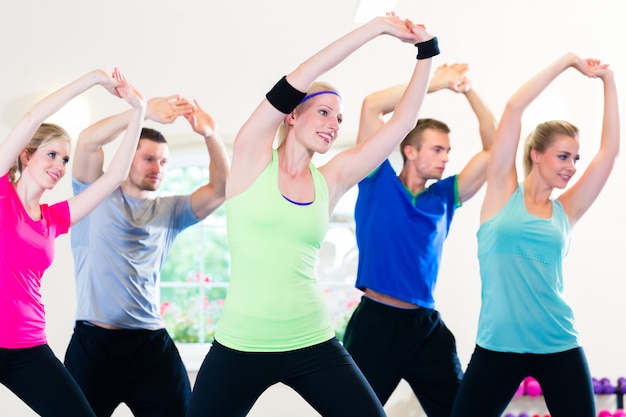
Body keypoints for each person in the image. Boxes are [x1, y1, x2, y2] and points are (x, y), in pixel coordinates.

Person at [186, 12, 438, 417]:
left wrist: (427, 51)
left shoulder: (330, 179)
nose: (334, 124)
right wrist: (375, 29)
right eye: (324, 112)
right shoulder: (252, 157)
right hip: (241, 342)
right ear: (292, 114)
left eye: (339, 118)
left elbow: (403, 123)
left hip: (310, 339)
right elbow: (301, 76)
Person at [449, 53, 619, 417]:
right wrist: (568, 62)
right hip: (498, 346)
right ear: (536, 155)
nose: (571, 167)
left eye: (575, 158)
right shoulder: (501, 192)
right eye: (563, 156)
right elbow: (513, 109)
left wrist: (608, 81)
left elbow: (610, 151)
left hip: (558, 343)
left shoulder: (566, 210)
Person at [342, 63, 496, 417]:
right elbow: (371, 106)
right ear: (410, 151)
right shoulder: (376, 178)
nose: (446, 158)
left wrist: (468, 89)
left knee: (462, 411)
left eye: (448, 151)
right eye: (438, 150)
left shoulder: (443, 197)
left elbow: (495, 147)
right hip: (375, 326)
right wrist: (435, 83)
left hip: (425, 329)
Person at [63, 95, 229, 417]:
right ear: (128, 160)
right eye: (149, 159)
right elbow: (87, 142)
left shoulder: (170, 211)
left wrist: (212, 135)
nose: (158, 168)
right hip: (95, 344)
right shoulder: (93, 196)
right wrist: (141, 112)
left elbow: (221, 189)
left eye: (164, 162)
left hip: (150, 346)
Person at [0, 68, 145, 417]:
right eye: (51, 155)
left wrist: (138, 110)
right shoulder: (3, 192)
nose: (60, 165)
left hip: (26, 344)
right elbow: (33, 116)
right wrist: (93, 79)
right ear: (26, 155)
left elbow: (114, 178)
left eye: (64, 159)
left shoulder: (53, 219)